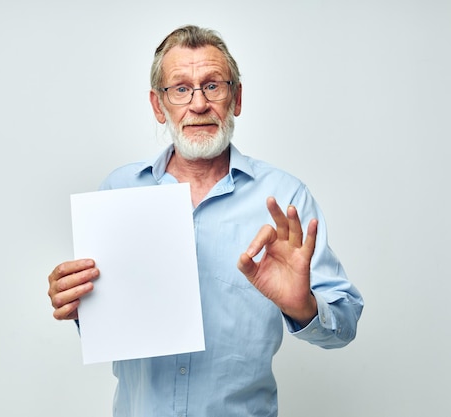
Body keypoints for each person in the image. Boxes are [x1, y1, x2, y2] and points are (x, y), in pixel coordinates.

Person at [48, 25, 363, 417]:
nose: (198, 104)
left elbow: (344, 322)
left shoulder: (285, 200)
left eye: (213, 85)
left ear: (237, 98)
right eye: (180, 89)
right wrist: (81, 304)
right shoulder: (118, 190)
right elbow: (107, 318)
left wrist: (305, 307)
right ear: (158, 105)